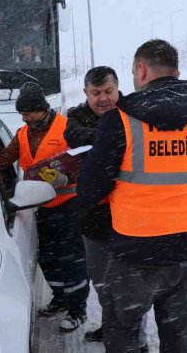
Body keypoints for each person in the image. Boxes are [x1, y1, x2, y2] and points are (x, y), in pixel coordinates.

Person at [77, 39, 187, 352]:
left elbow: (91, 187)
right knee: (177, 335)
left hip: (137, 250)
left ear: (142, 69)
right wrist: (179, 196)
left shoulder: (121, 121)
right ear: (175, 70)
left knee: (122, 332)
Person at [63, 66, 148, 351]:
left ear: (118, 89)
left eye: (108, 92)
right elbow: (73, 134)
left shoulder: (134, 112)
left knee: (133, 287)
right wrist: (111, 137)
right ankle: (113, 326)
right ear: (85, 93)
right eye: (96, 93)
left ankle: (138, 339)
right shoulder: (76, 117)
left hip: (130, 215)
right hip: (93, 217)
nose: (103, 99)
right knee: (102, 284)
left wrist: (102, 139)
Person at [0, 82, 90, 332]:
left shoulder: (67, 127)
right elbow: (4, 158)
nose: (24, 118)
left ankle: (77, 309)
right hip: (38, 205)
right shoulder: (23, 133)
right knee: (48, 258)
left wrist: (66, 178)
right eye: (22, 114)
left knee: (72, 259)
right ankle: (59, 298)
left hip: (68, 204)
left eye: (28, 113)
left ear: (41, 109)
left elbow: (85, 162)